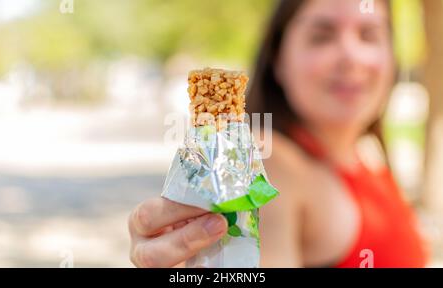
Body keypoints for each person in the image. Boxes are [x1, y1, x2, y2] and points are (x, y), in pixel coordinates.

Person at [128, 0, 428, 268]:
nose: (350, 55)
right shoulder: (268, 162)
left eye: (369, 34)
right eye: (321, 36)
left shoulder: (363, 157)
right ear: (278, 61)